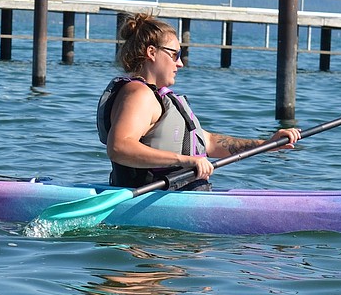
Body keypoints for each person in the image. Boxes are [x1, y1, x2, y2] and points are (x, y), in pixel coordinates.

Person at [96, 13, 300, 190]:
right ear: (151, 52)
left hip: (177, 195)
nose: (180, 63)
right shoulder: (138, 94)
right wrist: (186, 160)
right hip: (153, 198)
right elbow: (119, 148)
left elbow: (208, 142)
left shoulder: (158, 97)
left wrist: (267, 144)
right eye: (174, 54)